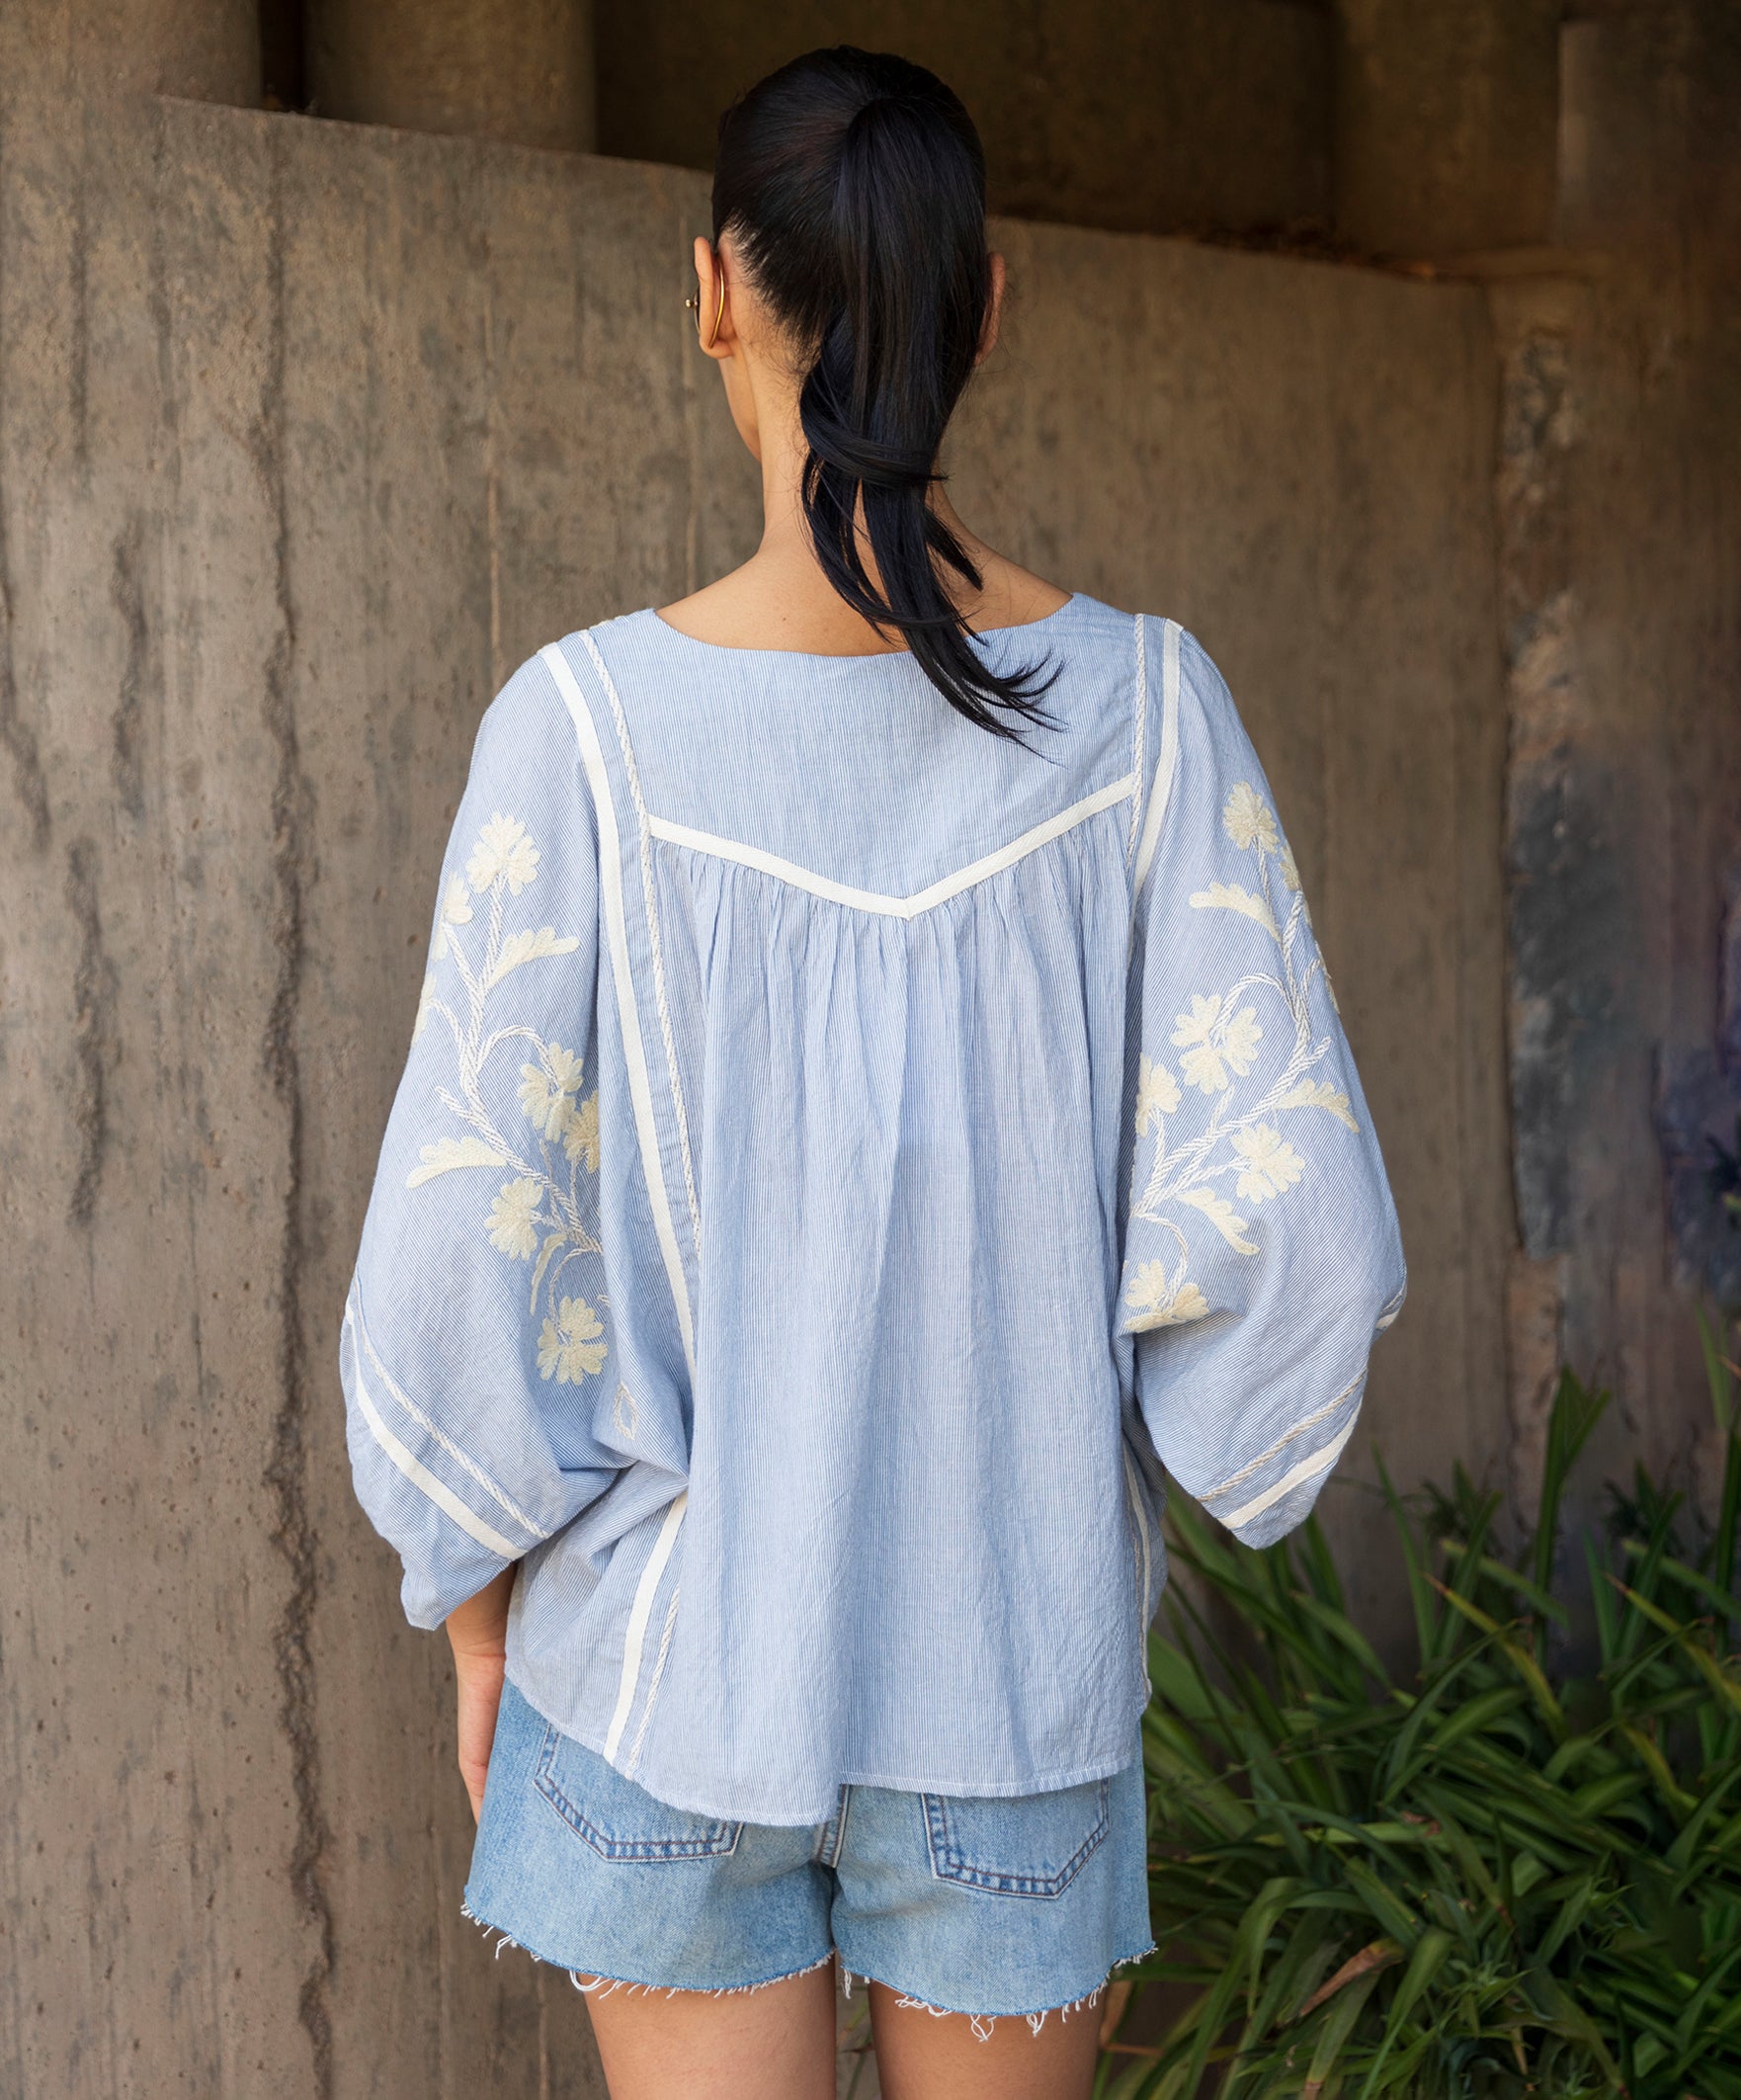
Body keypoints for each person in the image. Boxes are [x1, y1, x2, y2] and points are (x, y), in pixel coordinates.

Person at [338, 44, 1406, 2100]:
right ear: (984, 302)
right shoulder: (1147, 718)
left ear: (709, 296)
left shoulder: (579, 732)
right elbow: (1288, 1219)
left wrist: (471, 1608)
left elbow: (465, 1232)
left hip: (660, 1685)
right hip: (1005, 1687)